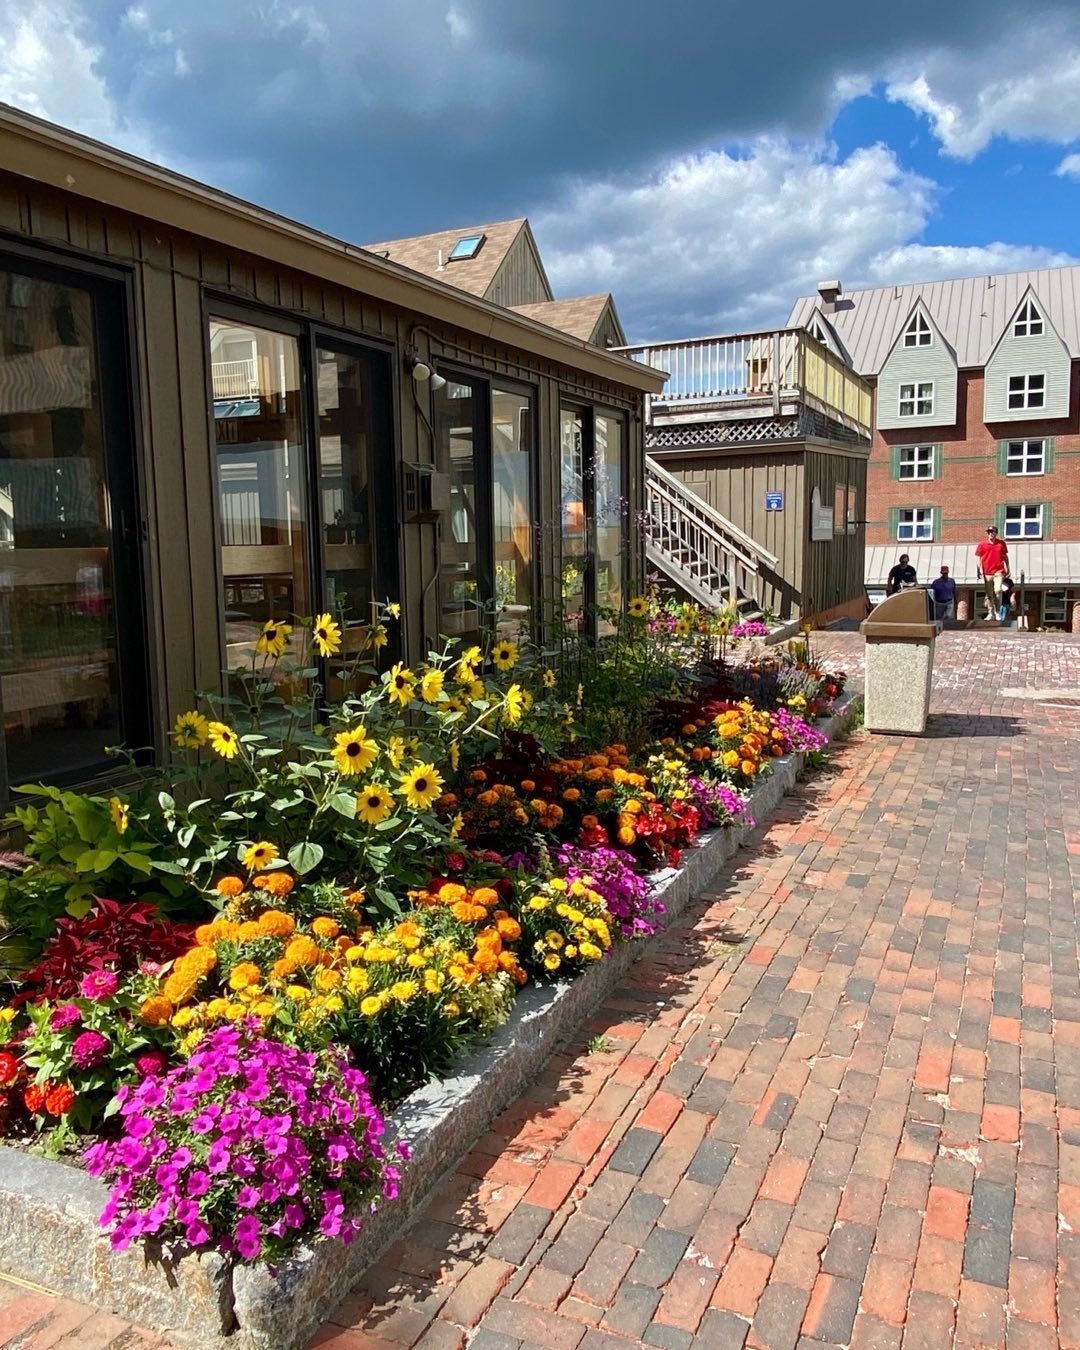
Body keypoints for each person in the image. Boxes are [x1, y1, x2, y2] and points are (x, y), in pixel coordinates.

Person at [975, 526, 1009, 619]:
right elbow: (979, 558)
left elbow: (1005, 557)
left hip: (999, 571)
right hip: (987, 572)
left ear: (996, 533)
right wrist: (978, 570)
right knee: (989, 593)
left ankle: (997, 611)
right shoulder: (982, 544)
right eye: (989, 532)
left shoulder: (1001, 544)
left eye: (992, 531)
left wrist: (1007, 568)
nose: (990, 533)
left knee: (998, 590)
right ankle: (990, 612)